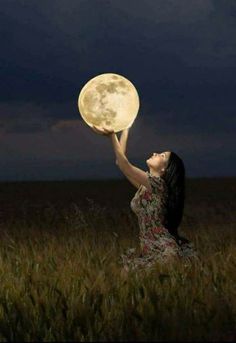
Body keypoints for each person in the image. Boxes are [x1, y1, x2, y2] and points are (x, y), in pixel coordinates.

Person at [91, 124, 199, 271]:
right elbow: (120, 162)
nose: (155, 153)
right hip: (148, 248)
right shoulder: (145, 186)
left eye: (162, 156)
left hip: (163, 249)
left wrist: (112, 136)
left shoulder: (158, 185)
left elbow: (124, 165)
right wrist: (126, 128)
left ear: (164, 170)